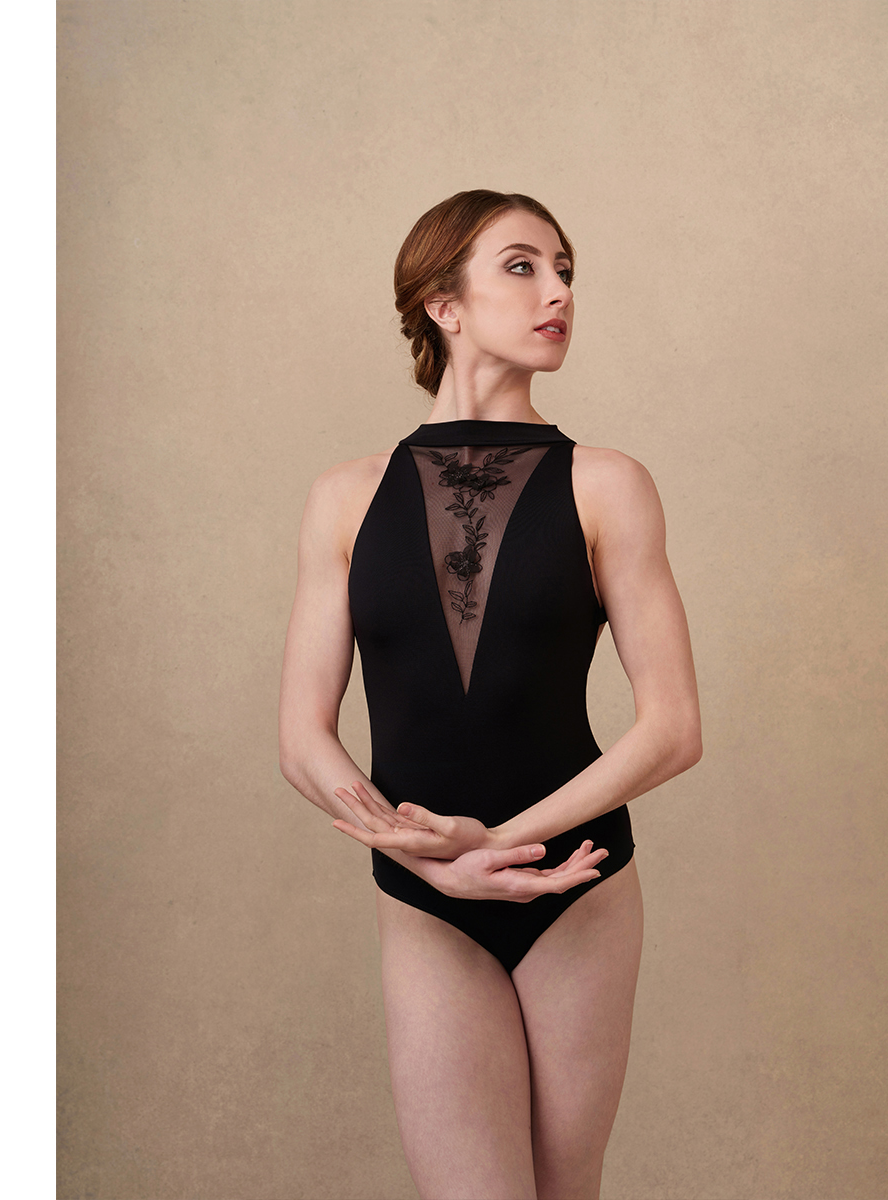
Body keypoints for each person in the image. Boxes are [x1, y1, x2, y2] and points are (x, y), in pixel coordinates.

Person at [278, 190, 701, 1199]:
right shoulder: (346, 495)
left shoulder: (609, 484)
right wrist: (422, 852)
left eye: (565, 271)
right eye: (523, 266)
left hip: (577, 884)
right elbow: (302, 736)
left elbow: (675, 728)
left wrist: (499, 845)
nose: (558, 291)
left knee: (564, 1189)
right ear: (442, 303)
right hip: (426, 896)